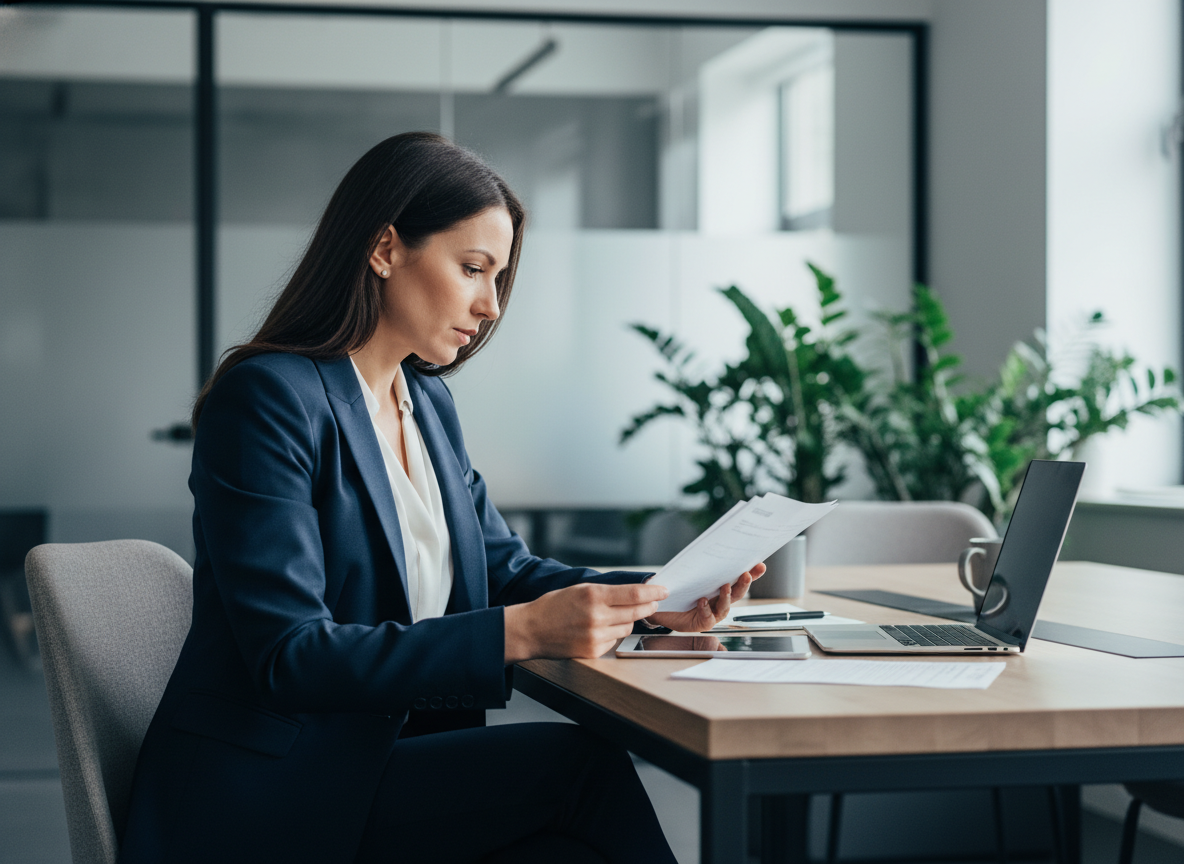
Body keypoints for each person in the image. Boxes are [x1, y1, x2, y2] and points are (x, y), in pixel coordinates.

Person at [118, 132, 764, 864]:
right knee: (579, 770)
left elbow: (505, 571)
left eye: (499, 278)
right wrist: (519, 633)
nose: (490, 306)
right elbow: (291, 656)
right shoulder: (268, 399)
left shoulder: (424, 403)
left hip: (380, 768)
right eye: (473, 269)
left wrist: (653, 599)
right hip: (272, 791)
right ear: (385, 249)